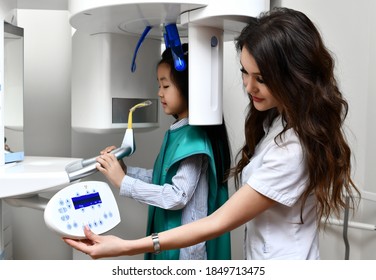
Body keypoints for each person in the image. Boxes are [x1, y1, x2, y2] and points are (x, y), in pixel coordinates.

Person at [64, 7, 359, 260]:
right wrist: (126, 173)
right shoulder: (277, 122)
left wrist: (125, 245)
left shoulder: (292, 150)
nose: (249, 87)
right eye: (245, 72)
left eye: (262, 79)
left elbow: (214, 221)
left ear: (294, 76)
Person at [88, 43, 231, 260]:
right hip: (170, 243)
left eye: (165, 86)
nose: (159, 93)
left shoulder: (194, 137)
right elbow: (161, 178)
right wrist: (124, 171)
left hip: (186, 256)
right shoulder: (180, 132)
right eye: (159, 85)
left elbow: (177, 196)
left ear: (187, 86)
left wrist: (123, 183)